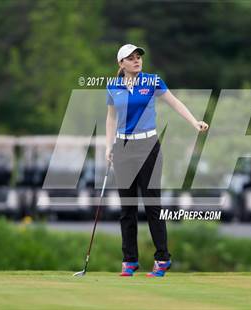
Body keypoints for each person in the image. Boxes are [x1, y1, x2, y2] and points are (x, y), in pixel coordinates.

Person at [105, 44, 209, 277]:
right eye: (130, 58)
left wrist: (194, 122)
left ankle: (162, 259)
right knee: (127, 208)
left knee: (152, 205)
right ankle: (129, 260)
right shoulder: (113, 86)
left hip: (148, 146)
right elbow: (110, 118)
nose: (136, 61)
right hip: (122, 148)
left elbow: (174, 103)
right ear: (121, 64)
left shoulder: (152, 81)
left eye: (138, 57)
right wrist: (108, 146)